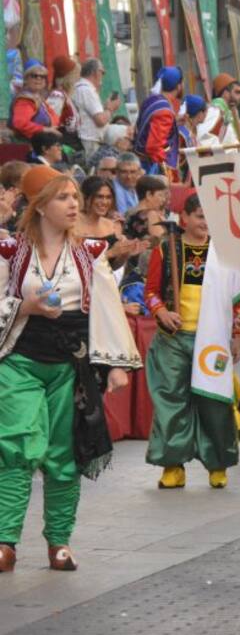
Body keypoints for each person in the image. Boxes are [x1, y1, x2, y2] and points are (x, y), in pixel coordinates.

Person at [0, 167, 140, 573]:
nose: (74, 204)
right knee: (15, 448)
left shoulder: (90, 252)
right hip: (19, 361)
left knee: (64, 454)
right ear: (40, 206)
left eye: (75, 196)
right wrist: (25, 307)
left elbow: (107, 308)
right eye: (63, 197)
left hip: (70, 367)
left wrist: (114, 365)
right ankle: (5, 541)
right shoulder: (10, 252)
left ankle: (59, 541)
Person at [143, 193, 240, 489]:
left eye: (210, 217)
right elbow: (151, 291)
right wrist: (162, 312)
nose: (205, 223)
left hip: (213, 340)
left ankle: (218, 464)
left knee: (214, 401)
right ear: (184, 218)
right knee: (171, 403)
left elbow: (237, 299)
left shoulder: (225, 253)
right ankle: (172, 465)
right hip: (173, 340)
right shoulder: (166, 249)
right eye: (200, 216)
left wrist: (238, 335)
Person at [133, 66, 185, 177]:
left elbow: (148, 129)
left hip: (140, 162)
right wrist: (167, 170)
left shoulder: (151, 100)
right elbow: (153, 147)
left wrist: (174, 121)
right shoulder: (164, 111)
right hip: (150, 169)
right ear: (178, 86)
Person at [72, 59, 122, 159]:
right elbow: (100, 120)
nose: (103, 75)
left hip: (86, 139)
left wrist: (106, 107)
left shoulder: (80, 88)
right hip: (89, 140)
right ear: (96, 72)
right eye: (102, 72)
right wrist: (111, 108)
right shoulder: (87, 90)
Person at [8, 60, 61, 142]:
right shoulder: (24, 99)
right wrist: (44, 129)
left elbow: (54, 117)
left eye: (42, 76)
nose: (39, 78)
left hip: (42, 142)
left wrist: (53, 127)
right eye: (34, 75)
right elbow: (20, 123)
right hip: (27, 144)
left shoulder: (39, 98)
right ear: (26, 79)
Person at [209, 73, 240, 144]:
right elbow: (211, 140)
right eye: (237, 92)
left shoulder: (231, 111)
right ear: (225, 92)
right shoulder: (216, 109)